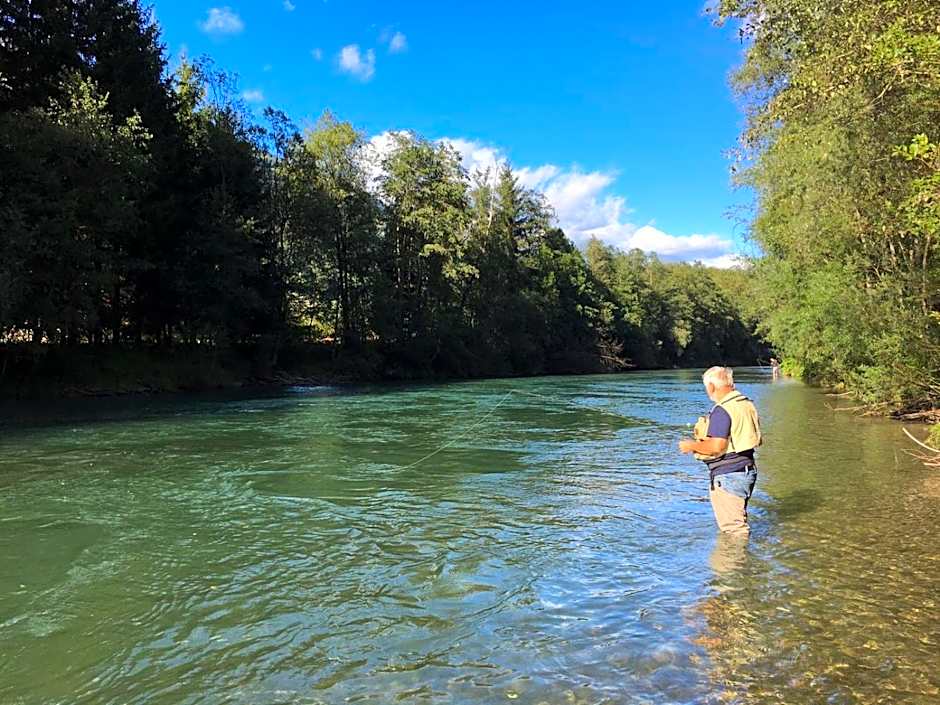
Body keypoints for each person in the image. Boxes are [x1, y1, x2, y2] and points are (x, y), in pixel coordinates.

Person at [678, 366, 762, 536]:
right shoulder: (745, 403)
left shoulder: (722, 410)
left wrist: (691, 446)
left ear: (711, 386)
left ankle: (734, 562)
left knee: (734, 531)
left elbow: (717, 446)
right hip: (747, 472)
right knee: (738, 521)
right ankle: (742, 559)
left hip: (728, 476)